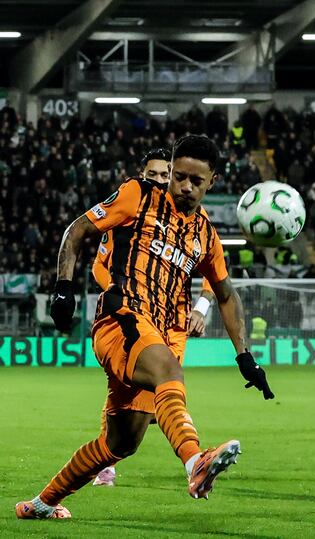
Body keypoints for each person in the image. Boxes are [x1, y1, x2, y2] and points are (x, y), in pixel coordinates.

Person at [16, 135, 274, 520]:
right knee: (169, 370)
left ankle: (42, 504)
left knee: (121, 442)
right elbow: (78, 230)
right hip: (120, 320)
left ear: (213, 182)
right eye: (178, 176)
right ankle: (196, 462)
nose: (184, 186)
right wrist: (64, 288)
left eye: (196, 181)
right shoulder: (137, 194)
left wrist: (245, 356)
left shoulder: (206, 234)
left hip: (157, 331)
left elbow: (226, 294)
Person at [89, 148, 216, 488]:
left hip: (173, 323)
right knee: (149, 389)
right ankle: (191, 460)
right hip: (133, 314)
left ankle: (181, 458)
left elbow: (216, 275)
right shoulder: (130, 212)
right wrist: (118, 291)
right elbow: (99, 264)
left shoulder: (196, 221)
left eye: (164, 175)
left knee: (157, 397)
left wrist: (201, 309)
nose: (160, 181)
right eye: (154, 175)